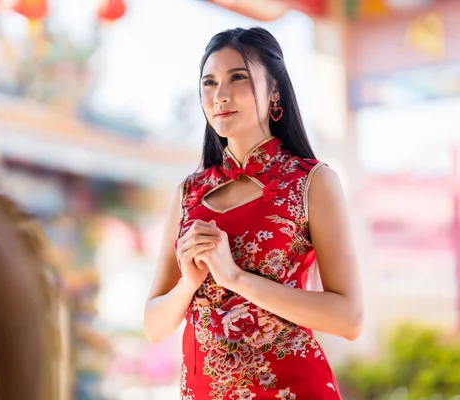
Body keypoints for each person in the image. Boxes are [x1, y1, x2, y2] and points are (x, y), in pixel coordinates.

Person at [143, 27, 363, 399]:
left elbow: (349, 318)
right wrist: (188, 284)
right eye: (209, 83)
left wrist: (235, 278)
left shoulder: (312, 182)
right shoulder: (188, 193)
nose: (220, 95)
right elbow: (153, 326)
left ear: (274, 90)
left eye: (238, 78)